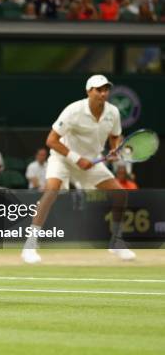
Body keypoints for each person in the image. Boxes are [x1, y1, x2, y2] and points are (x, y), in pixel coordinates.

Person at [21, 74, 135, 264]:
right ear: (89, 91)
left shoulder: (113, 112)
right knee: (51, 191)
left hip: (92, 162)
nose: (103, 93)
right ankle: (30, 245)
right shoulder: (73, 111)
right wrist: (76, 158)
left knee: (120, 194)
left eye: (106, 90)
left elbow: (115, 136)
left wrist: (115, 147)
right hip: (63, 159)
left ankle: (116, 241)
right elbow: (51, 141)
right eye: (99, 90)